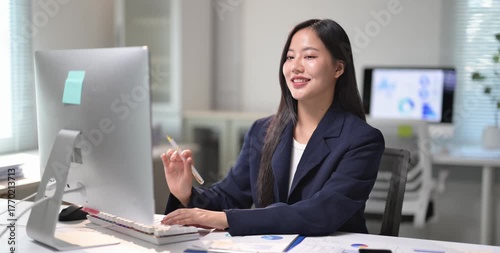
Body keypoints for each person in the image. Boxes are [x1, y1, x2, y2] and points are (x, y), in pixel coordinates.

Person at [160, 19, 385, 236]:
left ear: (338, 68)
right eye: (290, 57)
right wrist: (186, 193)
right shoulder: (263, 131)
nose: (295, 67)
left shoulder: (362, 139)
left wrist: (227, 219)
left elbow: (322, 213)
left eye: (309, 56)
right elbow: (228, 197)